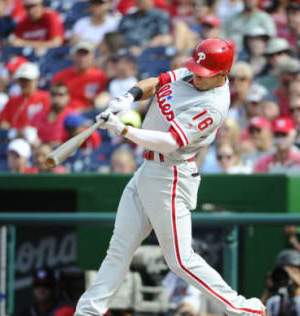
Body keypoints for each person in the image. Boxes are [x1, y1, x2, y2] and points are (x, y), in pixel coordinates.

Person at [72, 38, 266, 316]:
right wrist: (128, 98)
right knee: (119, 248)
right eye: (197, 71)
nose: (197, 77)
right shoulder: (197, 71)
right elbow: (158, 81)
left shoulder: (213, 105)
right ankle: (88, 312)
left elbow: (169, 141)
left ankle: (242, 308)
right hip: (147, 171)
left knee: (180, 260)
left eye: (205, 75)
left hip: (171, 176)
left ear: (223, 75)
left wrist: (122, 130)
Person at [51, 41, 108, 110]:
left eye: (85, 54)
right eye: (79, 54)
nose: (82, 58)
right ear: (73, 56)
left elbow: (102, 99)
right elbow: (53, 98)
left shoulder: (100, 76)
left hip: (89, 113)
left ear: (92, 56)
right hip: (64, 113)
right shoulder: (60, 76)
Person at [0, 62, 50, 130]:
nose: (24, 84)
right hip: (16, 136)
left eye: (27, 80)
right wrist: (12, 131)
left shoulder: (46, 97)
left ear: (36, 80)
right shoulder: (13, 100)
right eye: (21, 80)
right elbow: (3, 121)